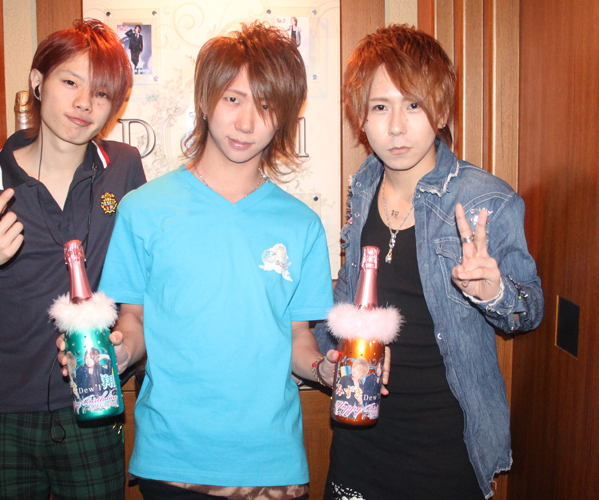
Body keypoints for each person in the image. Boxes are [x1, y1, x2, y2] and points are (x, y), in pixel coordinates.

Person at [90, 21, 334, 500]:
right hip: (172, 461)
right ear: (205, 99)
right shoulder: (143, 209)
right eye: (233, 99)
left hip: (271, 464)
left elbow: (297, 339)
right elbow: (134, 321)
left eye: (266, 105)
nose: (246, 123)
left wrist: (326, 369)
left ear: (285, 116)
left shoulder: (301, 224)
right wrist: (119, 352)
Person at [312, 24, 543, 500]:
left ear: (440, 110)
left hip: (445, 452)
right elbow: (350, 296)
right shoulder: (363, 186)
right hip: (359, 442)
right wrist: (321, 357)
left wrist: (495, 293)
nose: (396, 126)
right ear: (362, 117)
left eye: (413, 105)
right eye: (381, 107)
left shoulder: (484, 199)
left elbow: (528, 311)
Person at [0, 19, 146, 499]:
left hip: (94, 403)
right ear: (37, 81)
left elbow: (140, 284)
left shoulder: (124, 168)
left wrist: (129, 347)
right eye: (70, 82)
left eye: (102, 94)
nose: (84, 103)